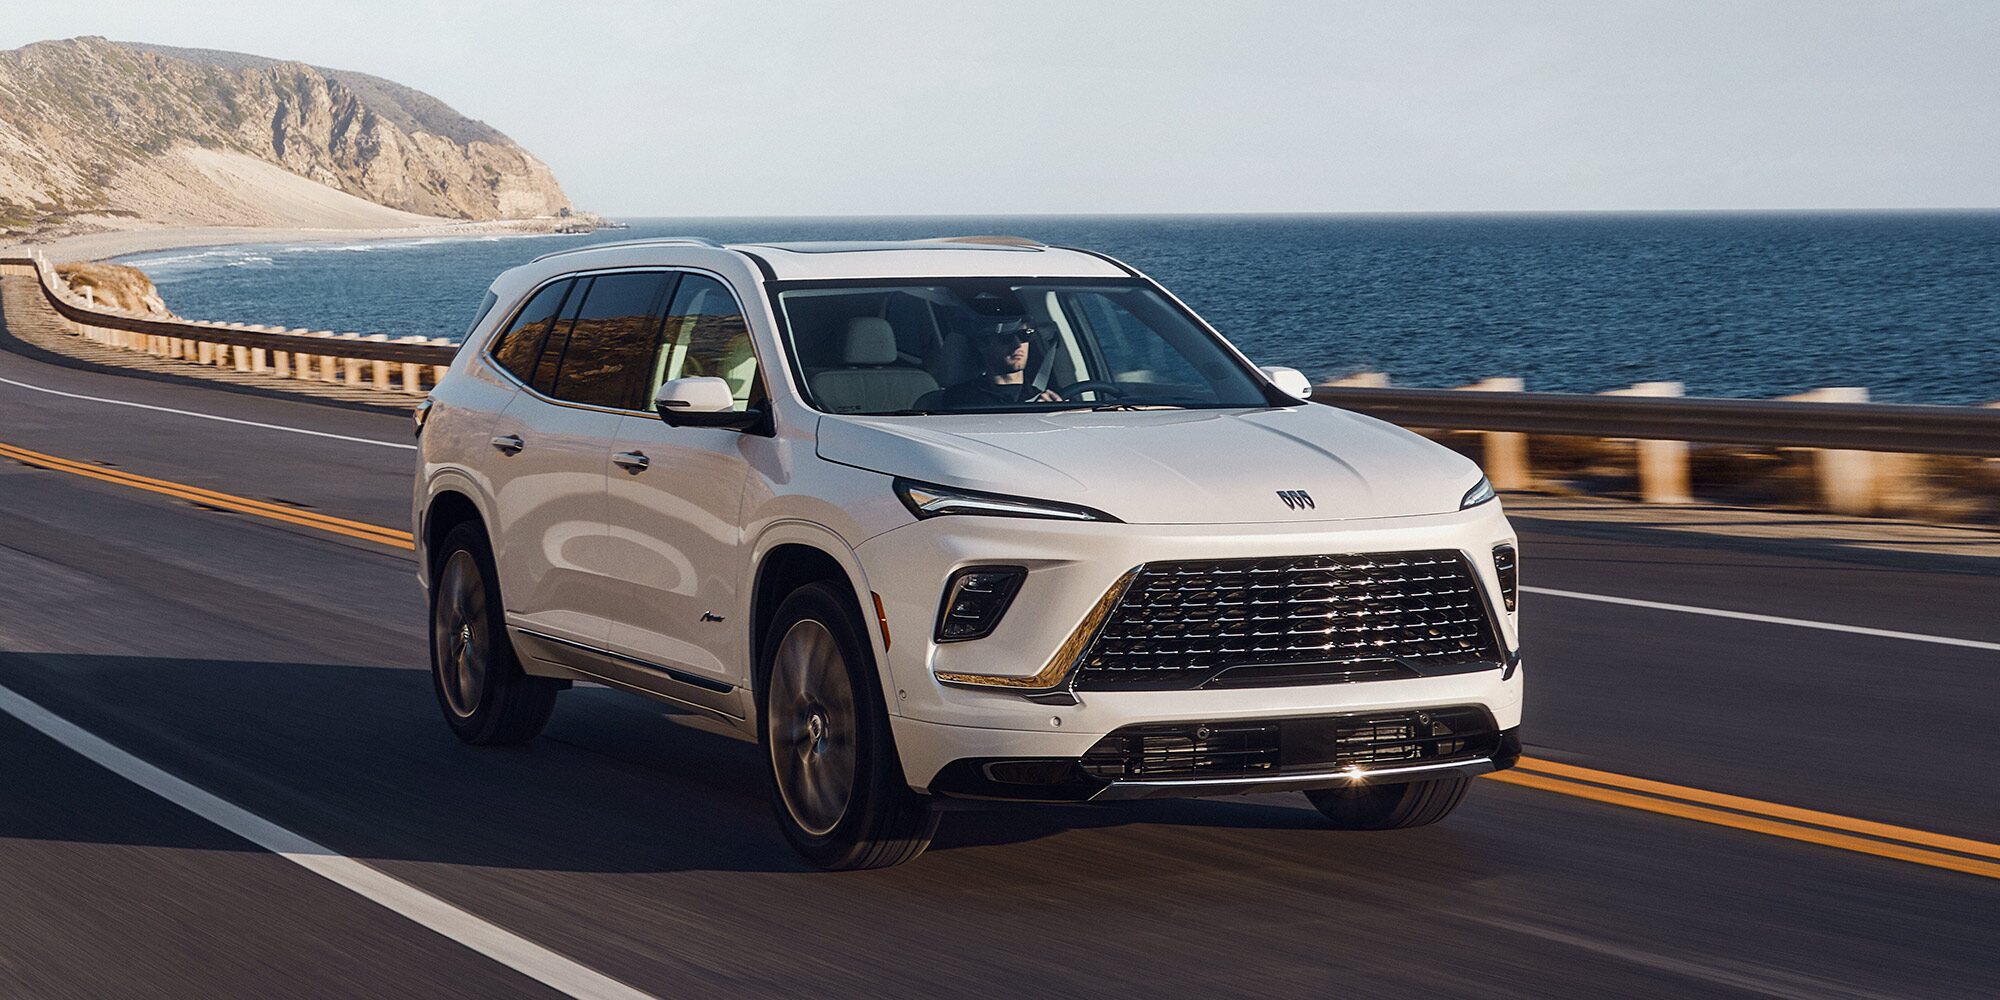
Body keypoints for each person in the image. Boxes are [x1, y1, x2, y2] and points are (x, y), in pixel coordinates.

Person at [936, 317, 1062, 409]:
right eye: (1006, 337)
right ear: (983, 344)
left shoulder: (1048, 397)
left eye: (1024, 335)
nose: (1018, 345)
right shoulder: (962, 398)